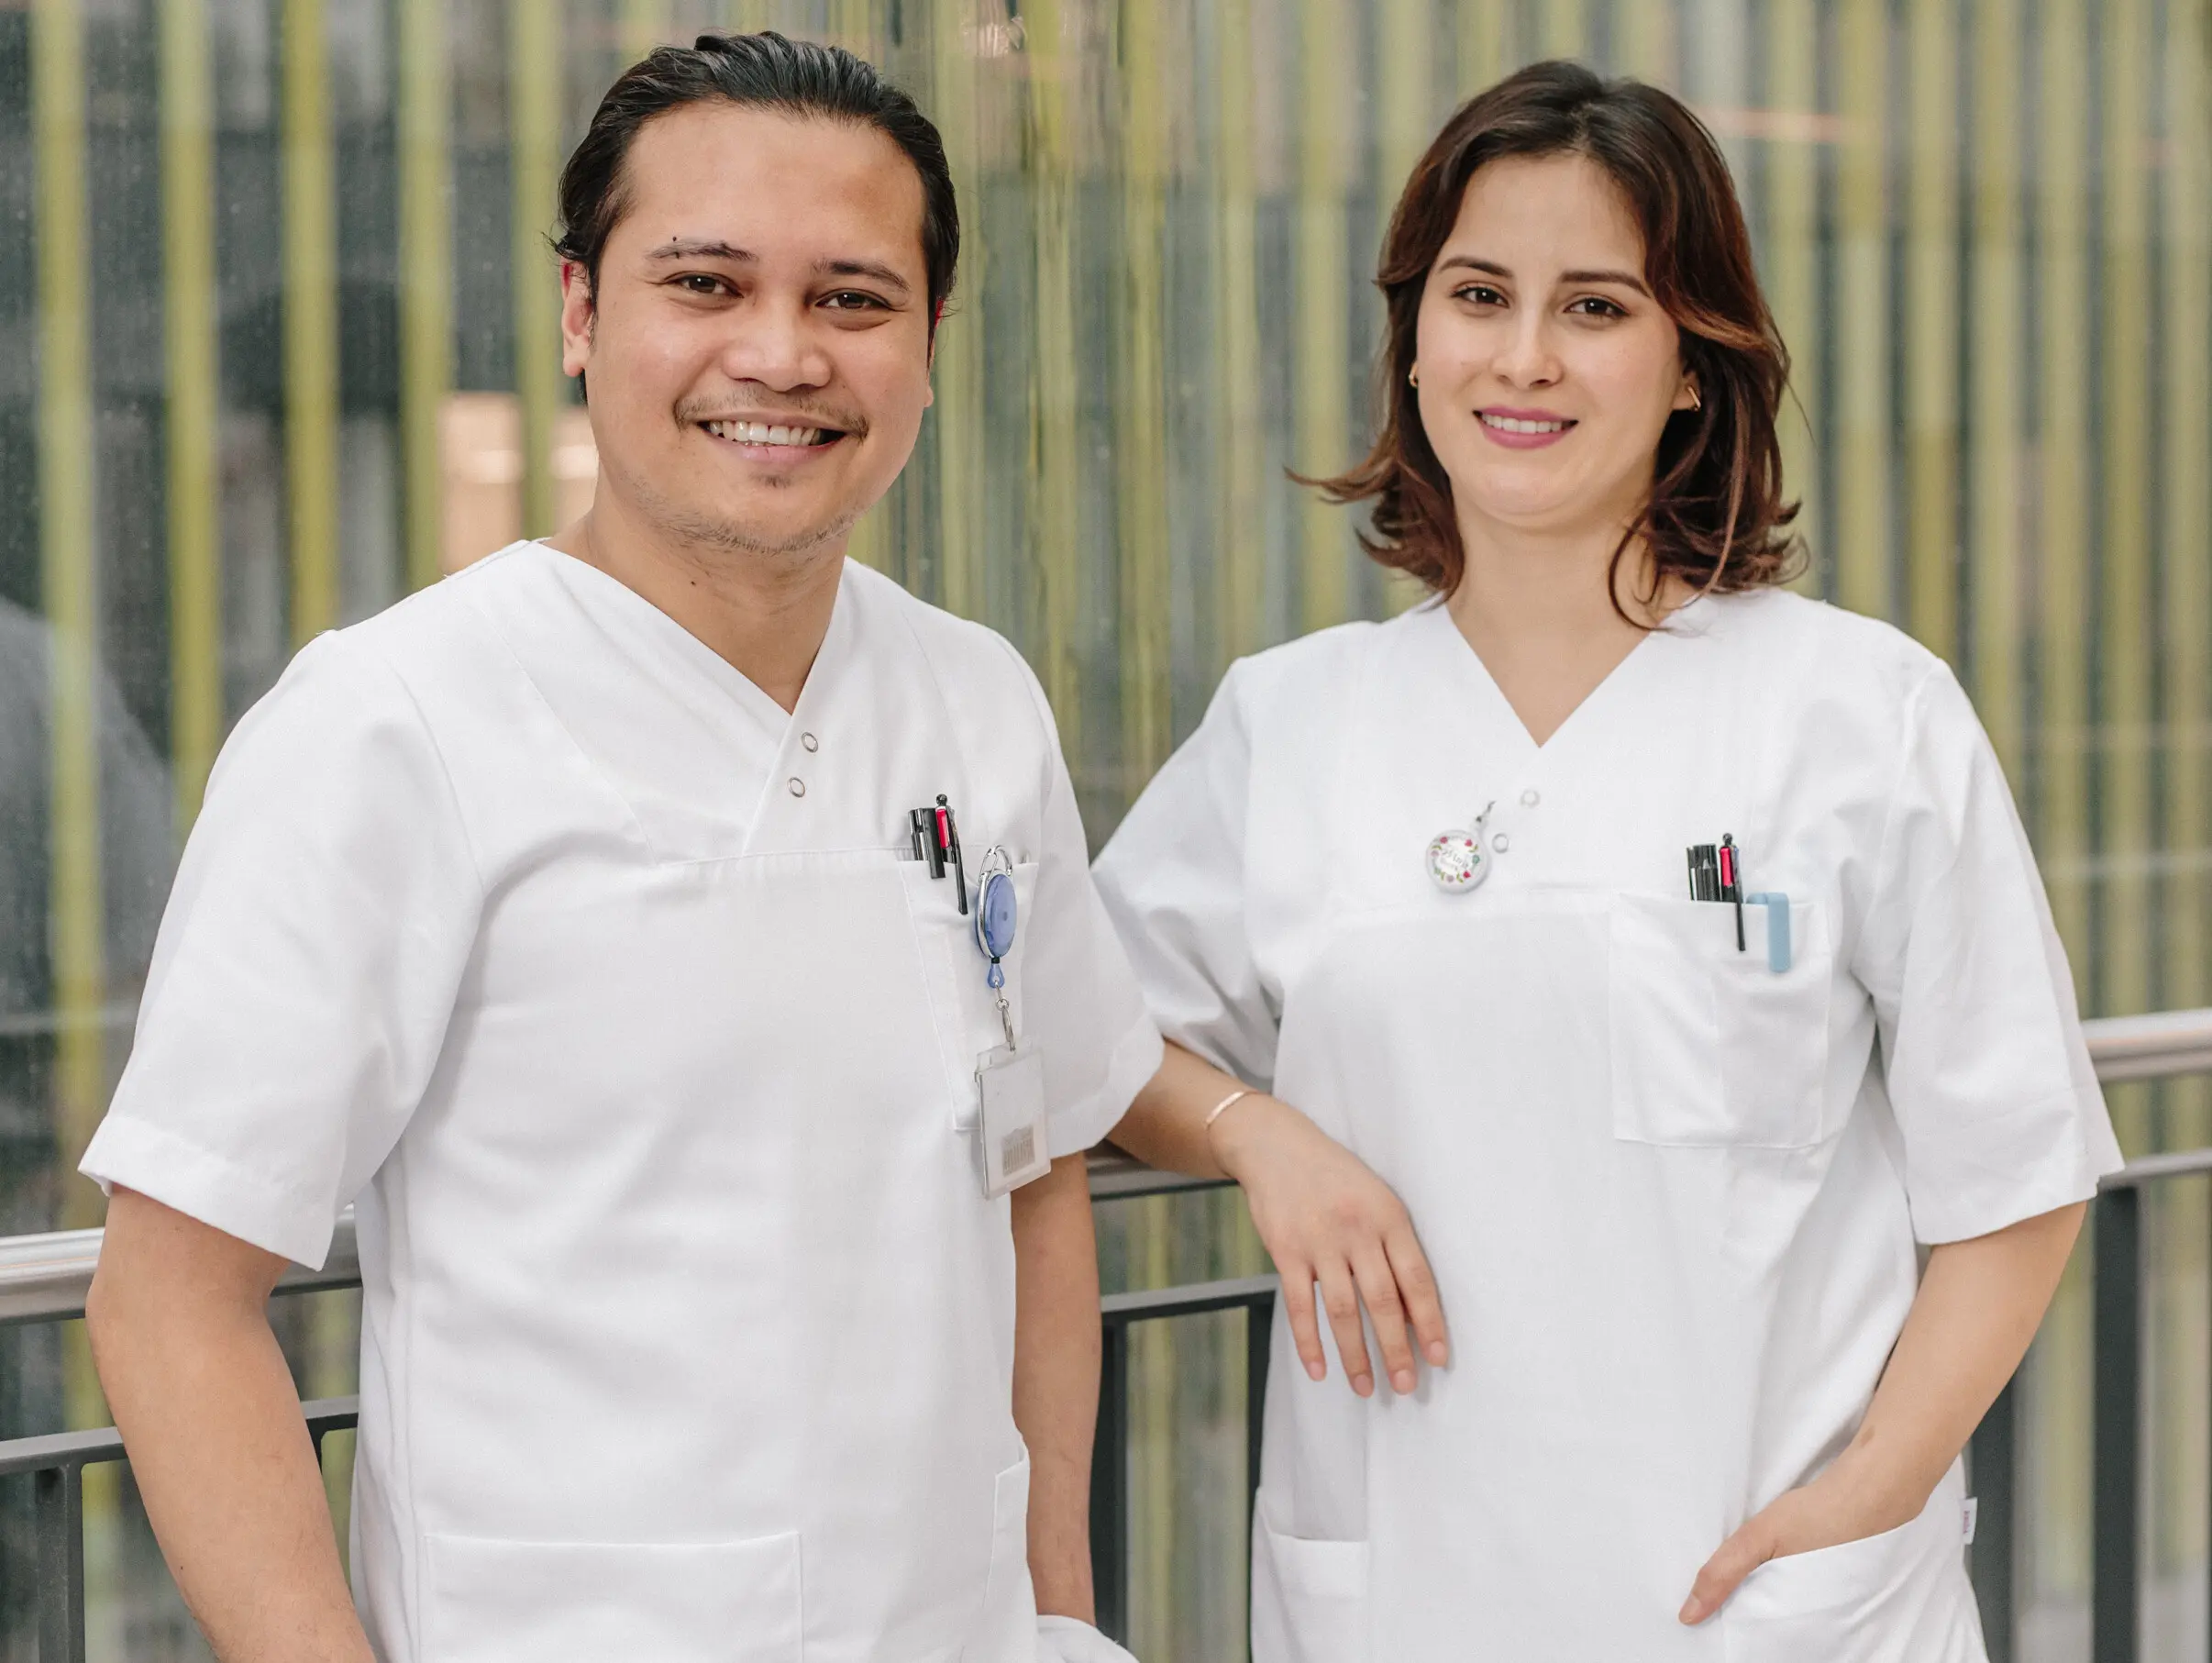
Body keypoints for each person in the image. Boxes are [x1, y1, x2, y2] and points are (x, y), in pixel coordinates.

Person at [79, 34, 1156, 1663]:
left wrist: (1061, 1617)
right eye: (706, 283)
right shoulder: (393, 724)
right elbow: (171, 1297)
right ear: (585, 316)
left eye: (854, 300)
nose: (781, 355)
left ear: (930, 343)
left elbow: (1038, 1174)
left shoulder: (974, 701)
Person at [1094, 61, 2118, 1662]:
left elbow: (2018, 1173)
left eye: (1596, 307)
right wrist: (1257, 1136)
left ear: (1693, 364)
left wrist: (1875, 1495)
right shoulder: (1290, 724)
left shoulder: (1861, 711)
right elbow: (1090, 1028)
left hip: (1772, 1596)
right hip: (1409, 1586)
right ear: (1415, 340)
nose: (1523, 356)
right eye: (1480, 294)